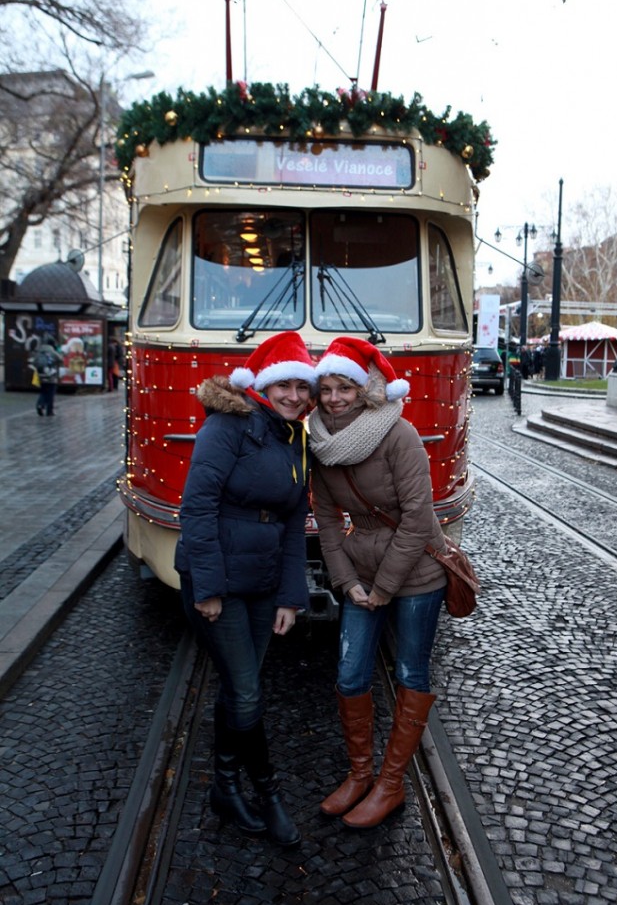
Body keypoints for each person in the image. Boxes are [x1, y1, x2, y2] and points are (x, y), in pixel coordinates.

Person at [174, 331, 316, 848]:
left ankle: (225, 788)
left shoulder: (295, 437)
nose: (295, 396)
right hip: (217, 580)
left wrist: (289, 595)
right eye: (286, 386)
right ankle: (268, 791)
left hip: (261, 581)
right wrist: (207, 588)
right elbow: (197, 507)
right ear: (264, 386)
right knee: (248, 691)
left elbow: (295, 521)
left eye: (304, 387)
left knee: (240, 690)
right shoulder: (226, 425)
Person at [308, 336, 448, 830]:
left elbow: (418, 518)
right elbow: (326, 522)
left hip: (417, 574)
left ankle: (390, 785)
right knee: (350, 676)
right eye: (325, 388)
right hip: (362, 575)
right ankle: (360, 774)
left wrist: (384, 588)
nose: (333, 398)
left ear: (365, 390)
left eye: (344, 387)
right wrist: (347, 584)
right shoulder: (319, 442)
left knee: (411, 673)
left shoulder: (398, 434)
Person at [32, 335, 61, 416]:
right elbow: (60, 359)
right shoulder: (52, 352)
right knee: (51, 393)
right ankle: (49, 411)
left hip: (41, 375)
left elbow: (34, 362)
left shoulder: (39, 351)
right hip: (51, 376)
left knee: (43, 391)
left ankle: (40, 404)